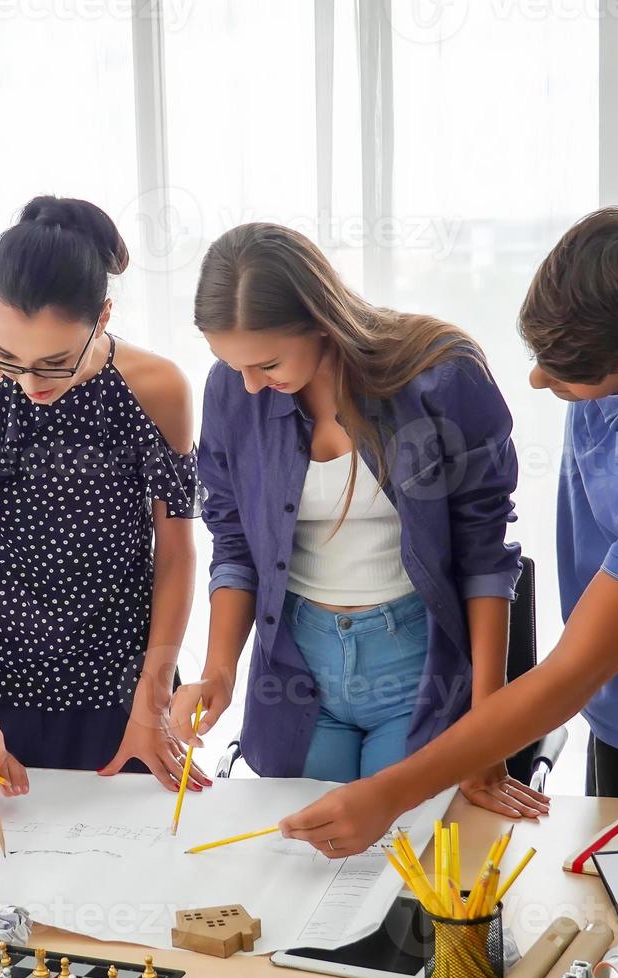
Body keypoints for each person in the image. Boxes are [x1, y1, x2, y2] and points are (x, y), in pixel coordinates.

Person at [278, 208, 618, 855]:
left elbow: (571, 672)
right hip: (612, 693)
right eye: (540, 356)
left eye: (568, 376)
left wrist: (388, 794)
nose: (537, 380)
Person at [170, 222, 546, 819]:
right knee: (308, 868)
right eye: (231, 364)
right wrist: (219, 671)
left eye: (266, 363)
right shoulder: (231, 391)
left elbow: (485, 558)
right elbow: (235, 542)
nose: (248, 384)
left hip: (415, 669)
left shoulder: (443, 378)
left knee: (407, 868)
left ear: (320, 320)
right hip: (295, 671)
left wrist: (486, 732)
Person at [0, 196, 207, 797]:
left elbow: (176, 556)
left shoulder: (156, 389)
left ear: (102, 317)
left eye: (53, 363)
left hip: (125, 693)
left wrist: (151, 702)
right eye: (6, 355)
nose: (28, 383)